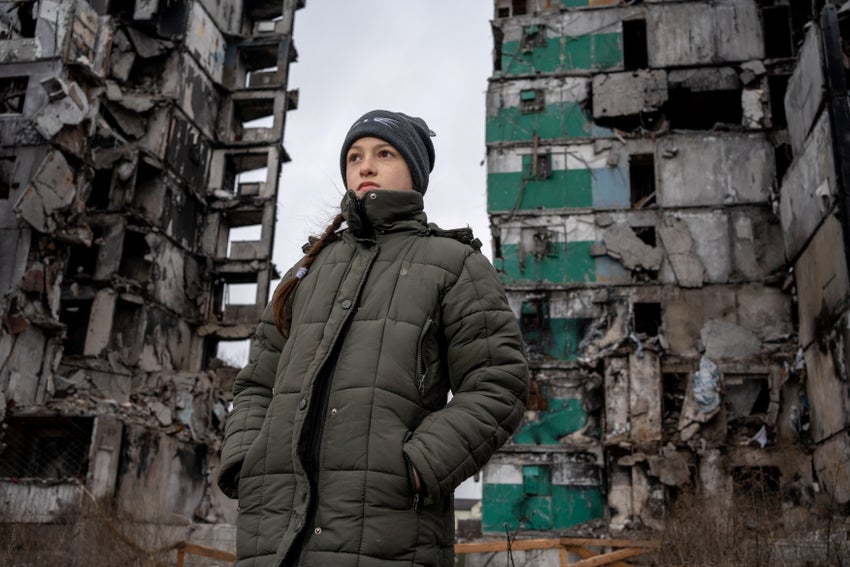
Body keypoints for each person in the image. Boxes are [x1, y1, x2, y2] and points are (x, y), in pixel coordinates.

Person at [217, 110, 529, 567]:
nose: (365, 166)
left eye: (384, 153)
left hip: (390, 531)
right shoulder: (307, 272)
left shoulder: (454, 264)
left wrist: (419, 466)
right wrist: (247, 459)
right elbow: (257, 384)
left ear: (415, 174)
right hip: (275, 531)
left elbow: (499, 383)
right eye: (354, 157)